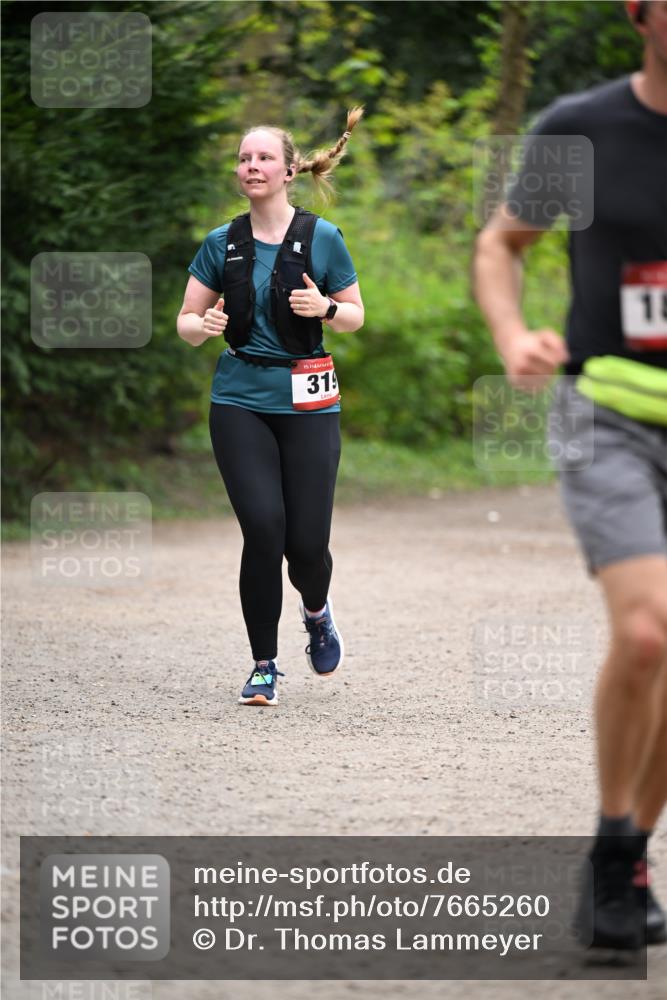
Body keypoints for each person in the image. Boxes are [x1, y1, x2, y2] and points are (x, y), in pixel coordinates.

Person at [473, 0, 667, 950]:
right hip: (609, 413)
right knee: (644, 634)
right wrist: (513, 336)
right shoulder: (580, 128)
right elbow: (500, 245)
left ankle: (627, 858)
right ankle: (609, 846)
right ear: (639, 12)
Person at [177, 109, 365, 706]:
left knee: (307, 546)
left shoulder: (323, 238)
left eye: (262, 158)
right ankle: (264, 664)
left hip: (308, 401)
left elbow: (357, 314)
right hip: (240, 399)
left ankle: (316, 610)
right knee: (263, 529)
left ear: (289, 170)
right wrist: (201, 326)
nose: (251, 166)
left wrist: (326, 311)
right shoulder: (221, 242)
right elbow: (184, 321)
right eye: (243, 158)